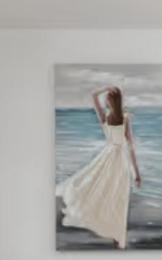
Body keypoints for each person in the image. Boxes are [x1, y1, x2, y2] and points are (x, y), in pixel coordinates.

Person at [56, 87, 142, 248]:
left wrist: (136, 172)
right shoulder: (121, 117)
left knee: (112, 197)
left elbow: (94, 95)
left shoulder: (108, 117)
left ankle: (116, 235)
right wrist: (136, 172)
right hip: (117, 160)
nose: (105, 101)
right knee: (116, 198)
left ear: (111, 101)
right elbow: (130, 146)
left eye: (108, 98)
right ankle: (117, 238)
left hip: (111, 159)